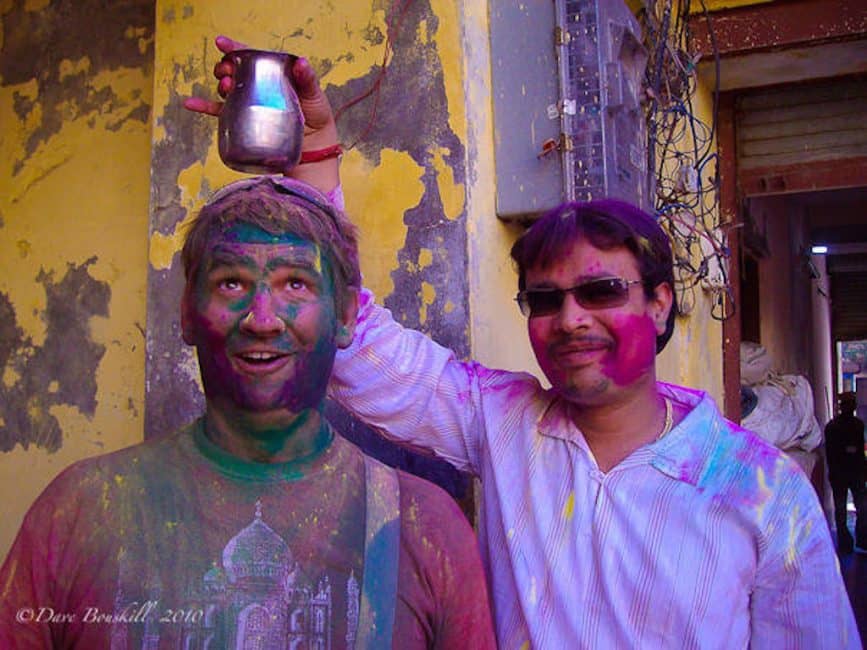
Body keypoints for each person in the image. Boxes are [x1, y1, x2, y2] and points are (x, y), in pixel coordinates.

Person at [186, 37, 859, 648]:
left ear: (658, 305)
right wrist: (317, 154)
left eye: (599, 293)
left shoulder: (761, 489)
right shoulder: (504, 421)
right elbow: (355, 345)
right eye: (544, 300)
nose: (569, 320)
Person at [0, 176, 496, 649]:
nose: (262, 319)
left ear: (344, 315)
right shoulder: (82, 510)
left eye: (295, 284)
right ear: (187, 312)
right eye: (231, 284)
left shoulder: (422, 528)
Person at [825, 391, 867, 553]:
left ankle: (848, 542)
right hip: (850, 473)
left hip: (844, 474)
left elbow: (831, 453)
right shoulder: (854, 425)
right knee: (857, 508)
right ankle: (859, 539)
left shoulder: (834, 426)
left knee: (844, 508)